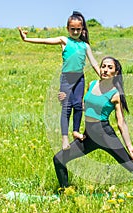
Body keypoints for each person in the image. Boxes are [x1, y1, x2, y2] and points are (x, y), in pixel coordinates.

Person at [53, 56, 133, 200]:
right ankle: (66, 195)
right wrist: (65, 99)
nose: (105, 70)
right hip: (88, 137)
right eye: (103, 66)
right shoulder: (92, 85)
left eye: (109, 67)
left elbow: (121, 123)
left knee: (132, 167)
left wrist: (129, 147)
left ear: (116, 73)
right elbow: (83, 106)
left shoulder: (115, 94)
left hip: (106, 136)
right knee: (59, 159)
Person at [18, 11, 100, 150]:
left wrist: (102, 76)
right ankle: (64, 138)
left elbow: (94, 63)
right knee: (66, 106)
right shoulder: (64, 41)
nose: (75, 32)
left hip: (80, 78)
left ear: (82, 29)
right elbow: (45, 41)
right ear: (68, 29)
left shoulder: (85, 46)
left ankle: (75, 131)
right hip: (67, 79)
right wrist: (26, 39)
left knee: (79, 106)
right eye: (72, 29)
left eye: (78, 29)